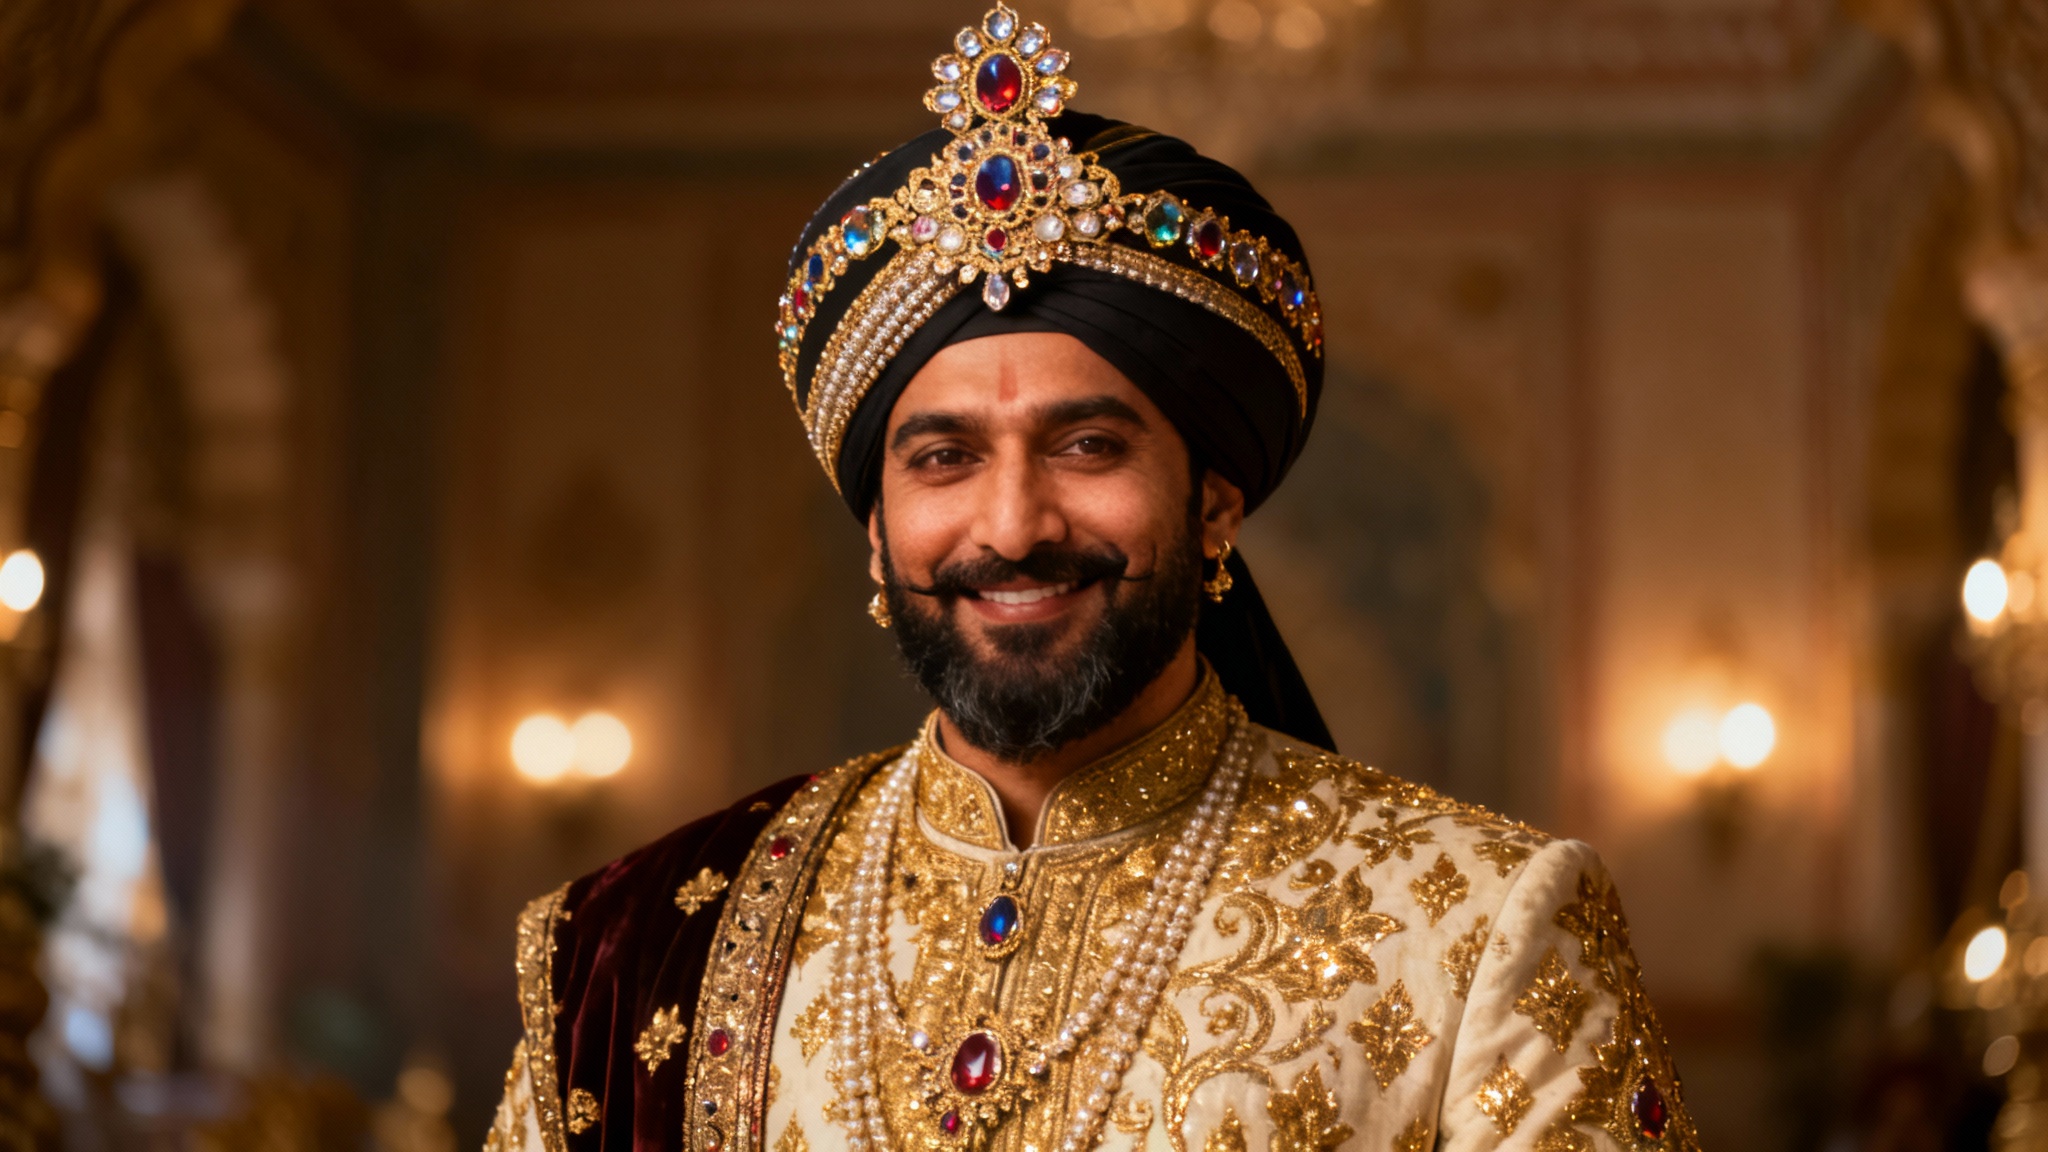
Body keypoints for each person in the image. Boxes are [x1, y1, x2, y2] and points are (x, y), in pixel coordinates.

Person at [485, 8, 1698, 1151]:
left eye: (1088, 447)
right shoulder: (622, 948)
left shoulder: (1478, 928)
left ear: (1212, 501)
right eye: (944, 458)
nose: (1011, 526)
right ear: (875, 528)